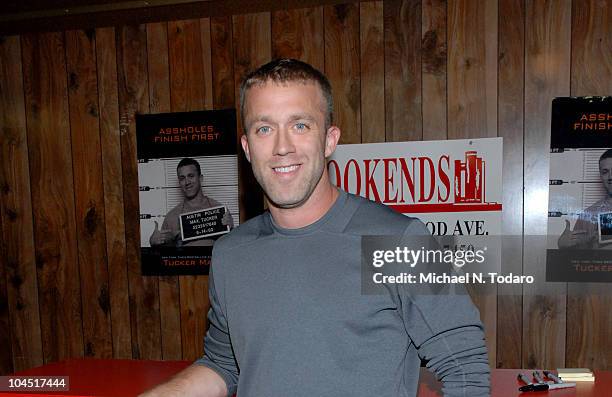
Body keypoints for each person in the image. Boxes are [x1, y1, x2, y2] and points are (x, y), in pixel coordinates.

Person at [141, 59, 490, 397]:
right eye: (264, 129)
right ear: (247, 147)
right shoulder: (230, 253)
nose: (282, 147)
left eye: (300, 125)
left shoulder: (402, 240)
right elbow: (223, 364)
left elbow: (465, 369)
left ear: (329, 140)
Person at [149, 157, 233, 247]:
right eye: (182, 178)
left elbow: (231, 248)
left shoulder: (220, 211)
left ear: (200, 178)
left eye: (191, 176)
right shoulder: (172, 217)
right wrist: (154, 243)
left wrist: (232, 230)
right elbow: (165, 255)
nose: (187, 182)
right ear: (179, 183)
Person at [558, 149, 612, 249]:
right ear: (601, 176)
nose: (610, 177)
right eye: (605, 172)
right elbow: (576, 259)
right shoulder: (588, 214)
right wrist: (564, 247)